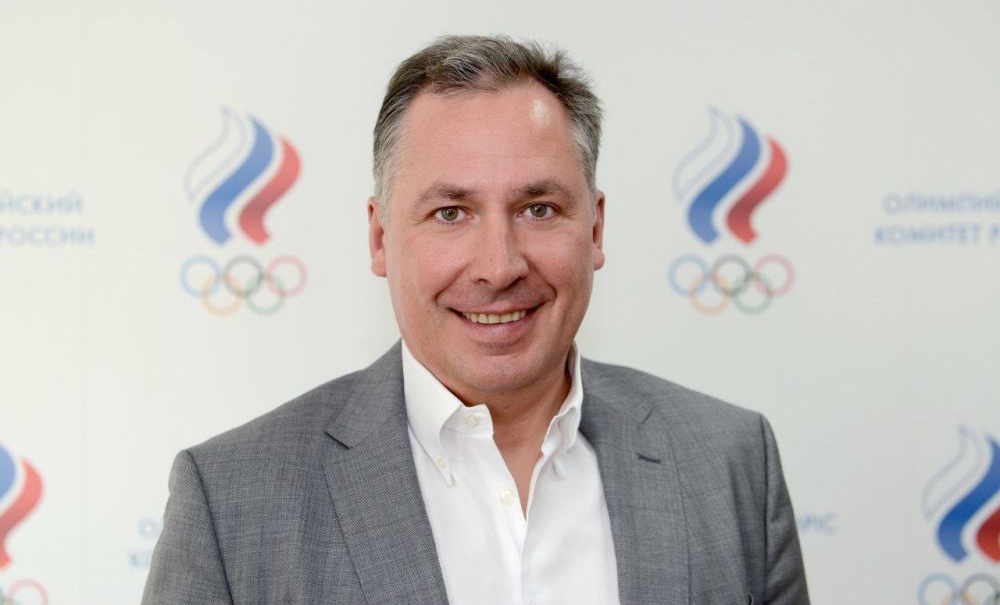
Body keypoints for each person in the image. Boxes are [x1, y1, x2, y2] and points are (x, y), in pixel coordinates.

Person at [143, 35, 809, 605]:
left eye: (539, 209)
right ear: (380, 238)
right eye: (451, 213)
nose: (499, 266)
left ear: (596, 228)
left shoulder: (731, 462)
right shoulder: (231, 500)